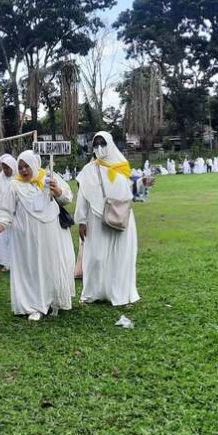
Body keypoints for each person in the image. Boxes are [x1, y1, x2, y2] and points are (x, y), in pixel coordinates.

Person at [0, 150, 74, 321]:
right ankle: (33, 305)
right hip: (25, 238)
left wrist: (57, 190)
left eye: (26, 166)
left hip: (50, 233)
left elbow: (67, 198)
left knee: (49, 266)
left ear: (34, 165)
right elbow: (6, 210)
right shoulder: (14, 185)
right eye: (20, 167)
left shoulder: (49, 178)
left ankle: (52, 300)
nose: (23, 170)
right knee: (30, 269)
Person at [76, 131, 139, 306]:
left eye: (102, 143)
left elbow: (134, 192)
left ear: (110, 144)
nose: (99, 148)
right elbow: (82, 196)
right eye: (95, 145)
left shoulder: (122, 166)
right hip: (96, 219)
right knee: (95, 257)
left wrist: (143, 185)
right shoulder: (88, 170)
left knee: (120, 256)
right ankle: (93, 292)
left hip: (120, 218)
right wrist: (82, 221)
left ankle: (119, 293)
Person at [0, 154, 18, 271]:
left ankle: (15, 262)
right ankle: (3, 262)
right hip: (3, 213)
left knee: (15, 239)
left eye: (8, 168)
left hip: (17, 214)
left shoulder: (18, 178)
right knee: (3, 238)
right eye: (4, 168)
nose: (6, 170)